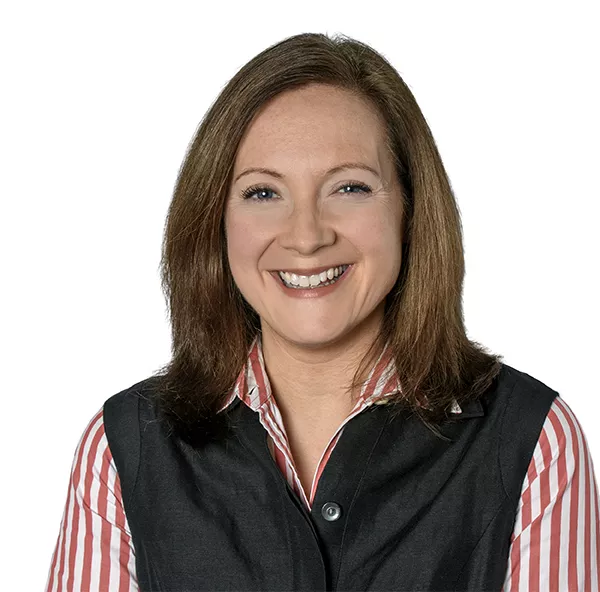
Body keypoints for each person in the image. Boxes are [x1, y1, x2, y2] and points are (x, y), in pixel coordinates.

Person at [46, 32, 599, 592]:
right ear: (216, 219)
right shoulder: (122, 452)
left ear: (410, 210)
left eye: (349, 187)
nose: (307, 236)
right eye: (263, 193)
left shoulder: (535, 446)